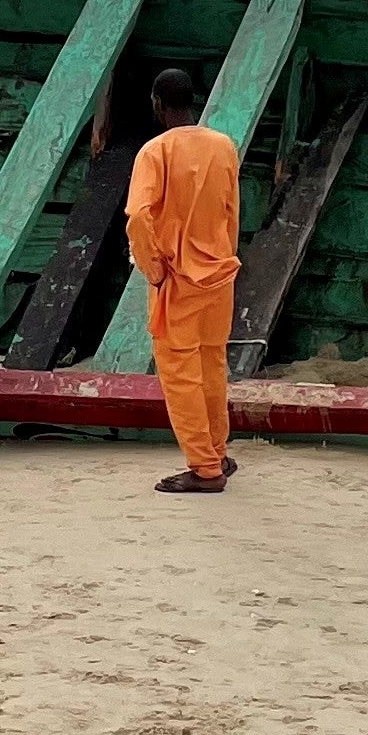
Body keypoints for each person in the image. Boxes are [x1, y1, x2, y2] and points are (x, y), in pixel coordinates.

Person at [124, 64, 240, 492]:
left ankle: (206, 469)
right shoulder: (224, 146)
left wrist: (154, 270)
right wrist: (224, 255)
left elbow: (138, 217)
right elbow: (231, 211)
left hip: (178, 279)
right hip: (220, 273)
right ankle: (218, 452)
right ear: (193, 100)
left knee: (181, 374)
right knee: (212, 366)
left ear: (157, 103)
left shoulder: (155, 152)